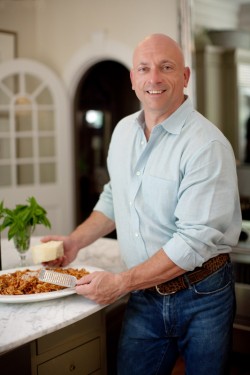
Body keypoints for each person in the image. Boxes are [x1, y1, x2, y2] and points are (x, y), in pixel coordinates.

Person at [43, 34, 242, 374]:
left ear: (185, 76)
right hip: (144, 297)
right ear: (133, 79)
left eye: (166, 67)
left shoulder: (206, 145)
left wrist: (122, 283)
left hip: (203, 296)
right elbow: (114, 196)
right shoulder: (122, 133)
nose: (154, 78)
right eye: (144, 69)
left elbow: (192, 240)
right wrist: (74, 241)